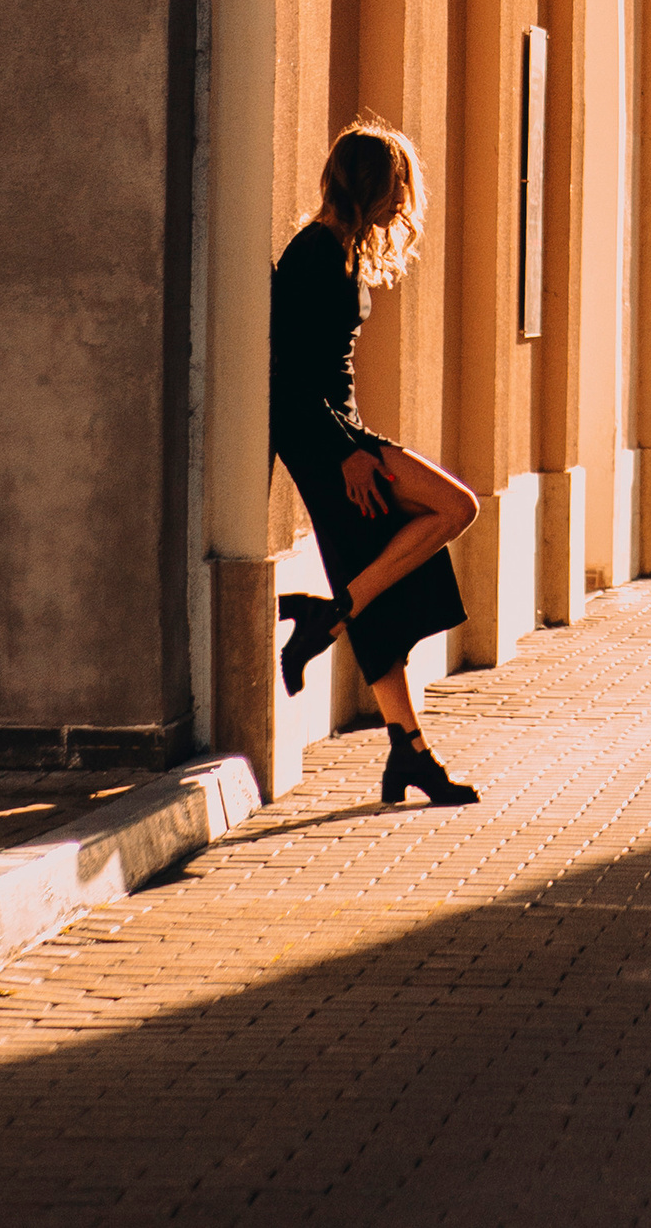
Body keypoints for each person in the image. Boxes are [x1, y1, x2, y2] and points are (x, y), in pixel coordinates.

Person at [270, 118, 482, 808]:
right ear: (368, 184)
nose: (401, 201)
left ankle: (407, 751)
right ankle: (333, 613)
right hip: (327, 439)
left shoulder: (338, 250)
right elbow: (291, 375)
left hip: (340, 433)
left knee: (386, 589)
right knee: (457, 506)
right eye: (395, 186)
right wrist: (347, 455)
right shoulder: (313, 255)